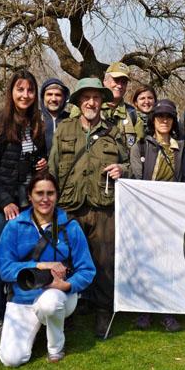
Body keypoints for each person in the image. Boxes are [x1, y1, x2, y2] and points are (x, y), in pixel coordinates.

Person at [48, 77, 130, 339]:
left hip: (103, 207)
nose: (91, 102)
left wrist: (122, 169)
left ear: (102, 101)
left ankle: (103, 312)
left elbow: (130, 164)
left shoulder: (113, 132)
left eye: (96, 97)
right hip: (69, 206)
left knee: (104, 262)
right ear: (78, 102)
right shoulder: (65, 129)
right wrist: (50, 206)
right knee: (65, 261)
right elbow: (52, 168)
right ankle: (65, 312)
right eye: (86, 98)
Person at [0, 171, 96, 366]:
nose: (45, 199)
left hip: (59, 295)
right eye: (39, 193)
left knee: (50, 304)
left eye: (50, 193)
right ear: (29, 196)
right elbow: (5, 269)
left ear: (57, 196)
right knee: (11, 360)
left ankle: (55, 348)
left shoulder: (70, 226)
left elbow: (87, 270)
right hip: (22, 297)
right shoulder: (15, 226)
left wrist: (67, 285)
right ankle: (38, 328)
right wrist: (40, 265)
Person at [0, 70, 47, 337]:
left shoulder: (35, 125)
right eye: (20, 89)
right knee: (0, 256)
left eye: (30, 90)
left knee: (24, 254)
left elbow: (30, 160)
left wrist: (41, 163)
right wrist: (5, 201)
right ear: (11, 92)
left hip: (21, 202)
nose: (25, 95)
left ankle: (16, 308)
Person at [129, 98, 185, 333]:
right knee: (146, 262)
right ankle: (144, 310)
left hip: (171, 216)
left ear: (173, 121)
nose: (164, 120)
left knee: (168, 264)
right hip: (145, 215)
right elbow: (135, 180)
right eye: (160, 116)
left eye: (168, 117)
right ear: (153, 120)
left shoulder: (181, 149)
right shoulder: (140, 147)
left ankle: (167, 311)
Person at [102, 61, 144, 148]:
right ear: (105, 81)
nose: (120, 86)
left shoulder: (133, 115)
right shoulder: (89, 108)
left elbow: (140, 150)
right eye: (116, 80)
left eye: (124, 82)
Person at [40, 78, 71, 150]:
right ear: (43, 97)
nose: (53, 99)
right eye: (49, 94)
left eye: (58, 95)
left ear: (64, 98)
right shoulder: (35, 119)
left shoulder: (72, 120)